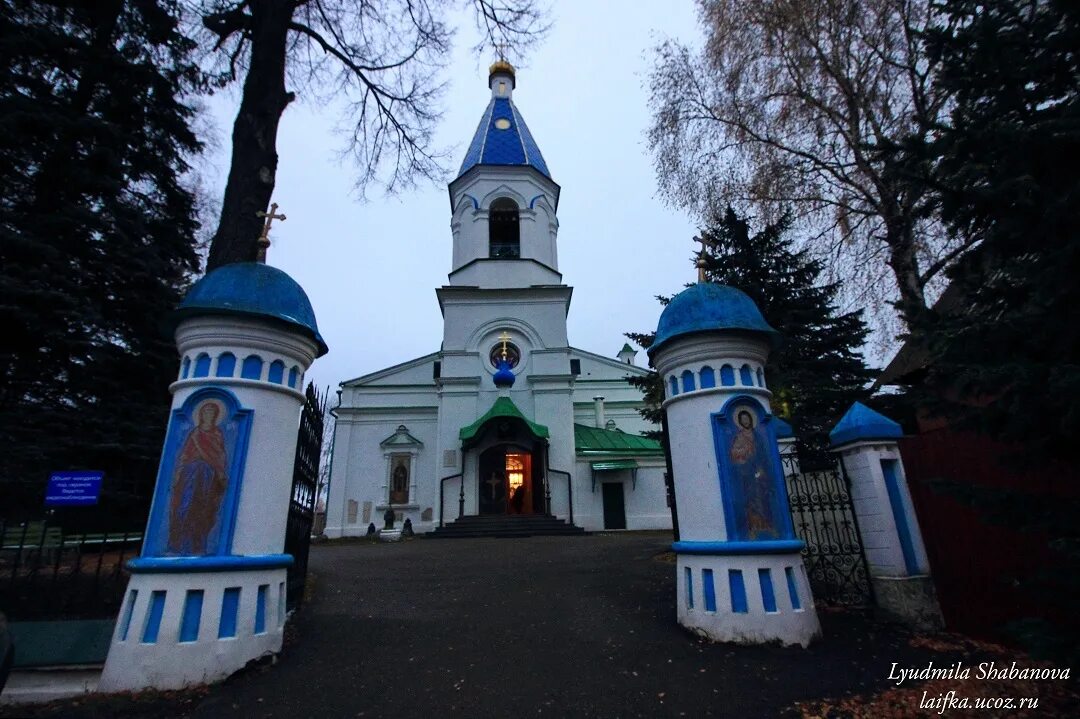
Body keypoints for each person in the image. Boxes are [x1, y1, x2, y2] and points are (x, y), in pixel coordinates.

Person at [167, 401, 228, 555]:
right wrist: (179, 472)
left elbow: (220, 456)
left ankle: (198, 545)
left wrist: (218, 471)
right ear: (201, 415)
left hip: (208, 480)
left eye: (212, 413)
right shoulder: (194, 434)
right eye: (206, 412)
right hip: (190, 478)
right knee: (185, 507)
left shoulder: (217, 434)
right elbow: (184, 456)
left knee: (205, 510)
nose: (209, 415)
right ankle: (179, 544)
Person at [728, 407, 779, 540]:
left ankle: (768, 526)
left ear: (751, 420)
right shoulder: (739, 436)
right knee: (751, 500)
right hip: (747, 473)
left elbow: (764, 454)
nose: (745, 422)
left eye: (747, 419)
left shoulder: (757, 436)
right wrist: (744, 451)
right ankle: (753, 528)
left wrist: (762, 467)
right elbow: (734, 453)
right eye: (742, 420)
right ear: (740, 421)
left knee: (764, 499)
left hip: (760, 472)